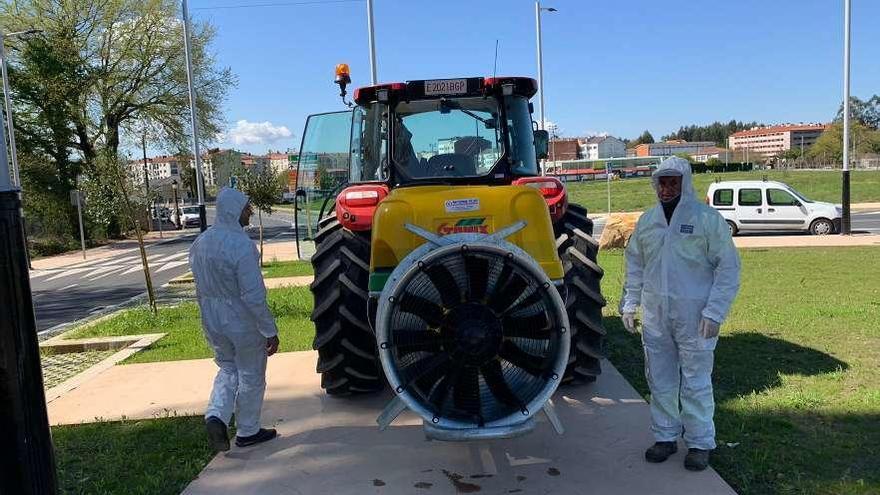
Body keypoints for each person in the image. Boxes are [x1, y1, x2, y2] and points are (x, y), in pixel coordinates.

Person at [620, 156, 740, 471]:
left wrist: (714, 313)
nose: (667, 188)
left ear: (685, 182)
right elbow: (635, 264)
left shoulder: (706, 219)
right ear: (655, 184)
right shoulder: (648, 222)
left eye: (673, 181)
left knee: (696, 380)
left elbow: (727, 267)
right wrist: (631, 302)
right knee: (659, 379)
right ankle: (665, 436)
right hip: (656, 315)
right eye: (662, 181)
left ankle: (700, 442)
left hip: (695, 315)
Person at [189, 187, 280, 452]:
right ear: (234, 210)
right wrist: (269, 330)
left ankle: (216, 415)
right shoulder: (241, 245)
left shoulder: (201, 243)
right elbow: (253, 295)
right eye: (246, 207)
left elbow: (199, 286)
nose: (250, 211)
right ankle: (248, 430)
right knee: (251, 373)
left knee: (228, 368)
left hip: (211, 317)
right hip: (240, 319)